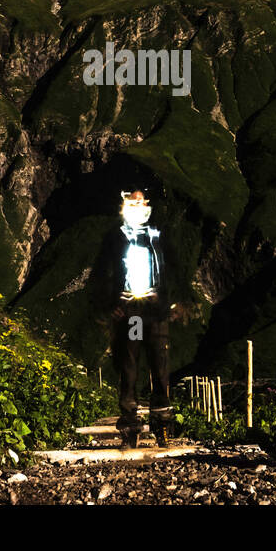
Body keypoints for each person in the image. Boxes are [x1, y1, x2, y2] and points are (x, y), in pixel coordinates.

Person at [92, 189, 172, 449]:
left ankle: (162, 428)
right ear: (124, 206)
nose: (137, 205)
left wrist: (166, 301)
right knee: (128, 369)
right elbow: (100, 273)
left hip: (155, 312)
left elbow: (173, 270)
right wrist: (109, 304)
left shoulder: (158, 236)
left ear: (147, 205)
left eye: (141, 201)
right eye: (132, 202)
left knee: (159, 370)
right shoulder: (114, 238)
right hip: (129, 311)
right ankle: (130, 430)